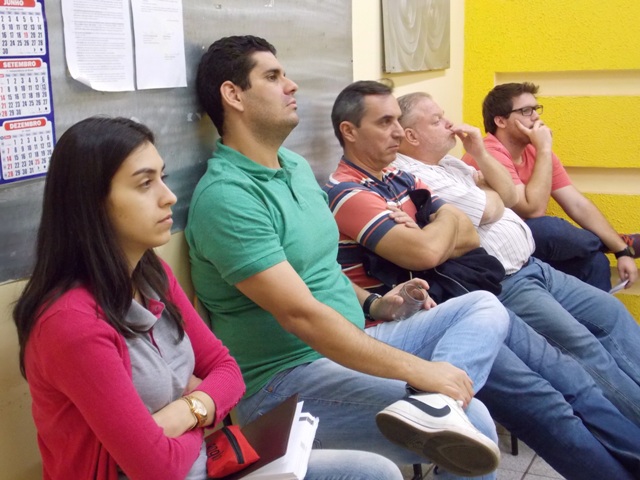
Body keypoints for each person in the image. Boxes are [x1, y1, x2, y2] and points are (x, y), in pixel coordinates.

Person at [187, 35, 511, 479]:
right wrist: (423, 371)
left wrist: (376, 304)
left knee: (483, 307)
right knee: (474, 424)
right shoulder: (228, 197)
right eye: (273, 76)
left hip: (352, 340)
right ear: (233, 95)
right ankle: (438, 408)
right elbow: (301, 315)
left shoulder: (294, 166)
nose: (291, 85)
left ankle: (434, 408)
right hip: (285, 382)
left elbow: (320, 268)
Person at [12, 116, 406, 480]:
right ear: (91, 203)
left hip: (205, 463)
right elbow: (156, 468)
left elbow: (228, 370)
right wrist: (204, 410)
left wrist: (186, 411)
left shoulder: (152, 275)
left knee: (372, 471)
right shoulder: (72, 323)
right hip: (177, 469)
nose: (168, 197)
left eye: (163, 178)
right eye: (145, 184)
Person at [323, 80, 640, 479]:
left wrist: (436, 225)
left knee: (573, 375)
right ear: (350, 131)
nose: (397, 132)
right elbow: (426, 253)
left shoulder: (396, 175)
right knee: (546, 405)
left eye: (398, 121)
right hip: (424, 320)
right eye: (385, 122)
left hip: (471, 303)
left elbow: (470, 234)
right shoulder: (350, 192)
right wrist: (440, 224)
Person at [394, 91, 640, 428]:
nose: (450, 124)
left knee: (610, 311)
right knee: (583, 346)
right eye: (437, 120)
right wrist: (489, 189)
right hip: (508, 283)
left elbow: (508, 196)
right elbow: (501, 208)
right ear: (411, 136)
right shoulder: (416, 175)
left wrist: (479, 154)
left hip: (535, 267)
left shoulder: (449, 163)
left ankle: (621, 245)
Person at [462, 82, 639, 291]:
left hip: (530, 246)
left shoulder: (535, 150)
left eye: (536, 109)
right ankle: (612, 241)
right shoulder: (488, 153)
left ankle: (610, 260)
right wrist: (545, 149)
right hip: (496, 248)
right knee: (548, 228)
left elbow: (577, 204)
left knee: (595, 262)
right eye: (526, 111)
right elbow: (533, 210)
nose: (536, 117)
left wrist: (622, 252)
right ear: (500, 121)